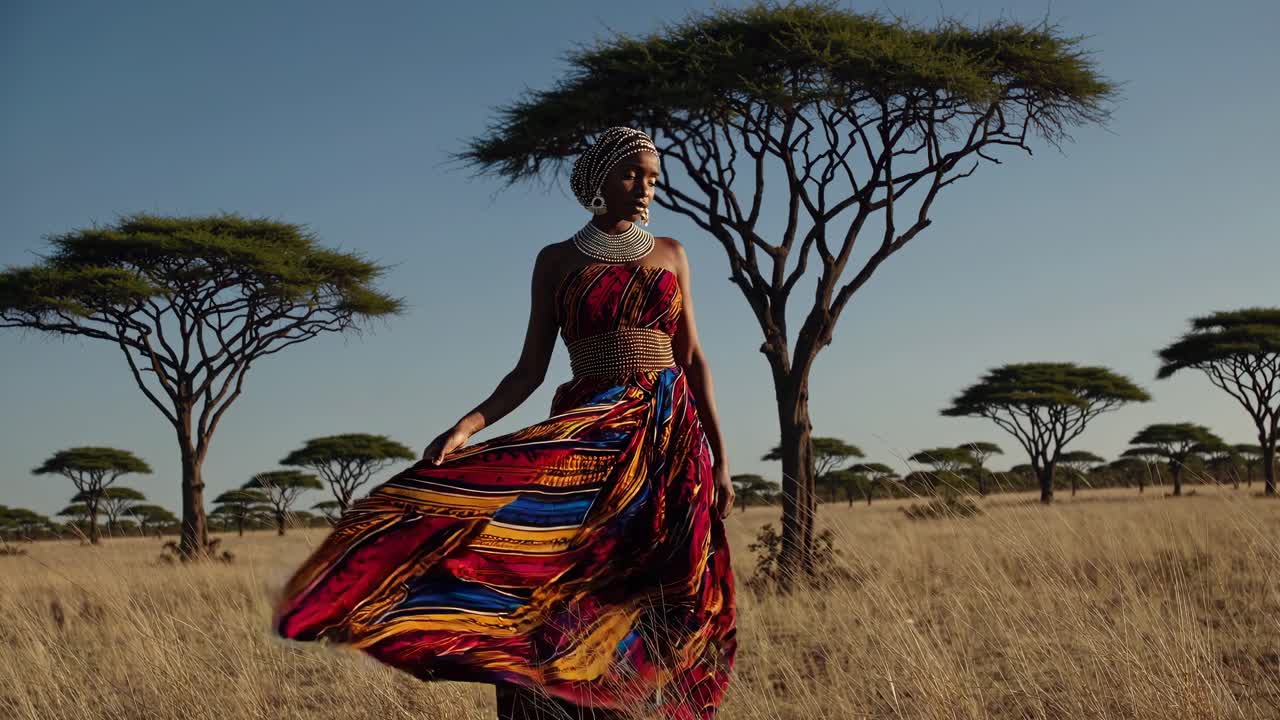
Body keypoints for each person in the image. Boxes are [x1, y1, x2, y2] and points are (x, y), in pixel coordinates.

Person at [273, 126, 738, 720]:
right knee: (560, 574)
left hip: (666, 437)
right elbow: (528, 371)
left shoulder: (672, 253)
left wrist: (721, 460)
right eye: (633, 174)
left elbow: (693, 358)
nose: (647, 187)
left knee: (658, 578)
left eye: (652, 177)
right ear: (598, 182)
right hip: (588, 433)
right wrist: (465, 427)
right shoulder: (557, 261)